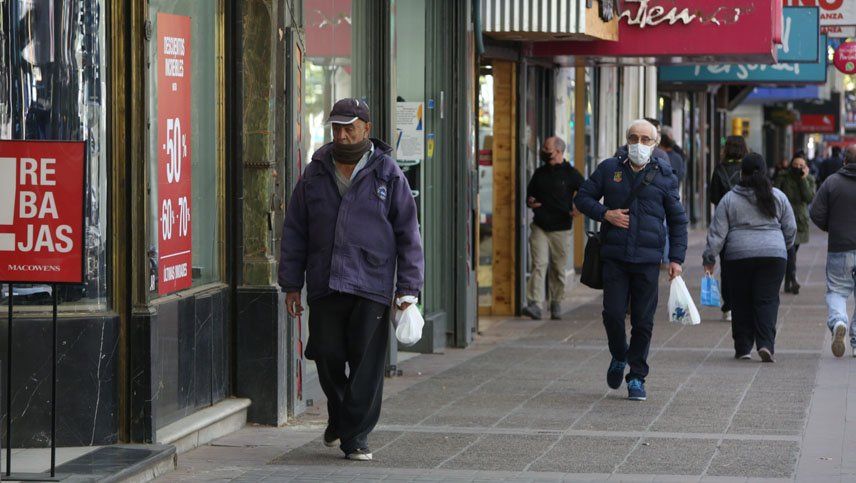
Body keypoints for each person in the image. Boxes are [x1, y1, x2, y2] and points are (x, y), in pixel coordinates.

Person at [278, 98, 424, 461]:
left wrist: (408, 288)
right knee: (326, 354)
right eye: (337, 129)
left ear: (366, 129)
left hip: (372, 282)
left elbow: (409, 233)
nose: (342, 136)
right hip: (326, 281)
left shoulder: (388, 173)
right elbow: (295, 230)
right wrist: (291, 284)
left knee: (366, 365)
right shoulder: (314, 173)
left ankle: (355, 436)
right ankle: (342, 416)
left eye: (350, 128)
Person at [575, 119, 688, 401]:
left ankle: (636, 376)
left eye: (645, 139)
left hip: (648, 260)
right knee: (613, 314)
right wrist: (605, 214)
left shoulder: (665, 175)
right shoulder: (609, 169)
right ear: (626, 140)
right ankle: (618, 354)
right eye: (633, 138)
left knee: (643, 321)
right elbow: (583, 198)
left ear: (655, 143)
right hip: (615, 256)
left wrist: (676, 259)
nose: (639, 144)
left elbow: (678, 220)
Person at [703, 153, 796, 363]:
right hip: (773, 255)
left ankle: (743, 347)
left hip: (738, 255)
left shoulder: (729, 199)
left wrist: (709, 257)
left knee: (741, 301)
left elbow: (717, 233)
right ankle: (765, 344)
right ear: (765, 172)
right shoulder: (778, 197)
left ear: (741, 174)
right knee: (767, 300)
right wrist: (783, 246)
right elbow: (790, 228)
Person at [522, 136, 585, 320]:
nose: (543, 150)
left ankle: (556, 301)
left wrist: (578, 207)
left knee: (558, 268)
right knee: (539, 264)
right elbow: (530, 195)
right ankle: (535, 304)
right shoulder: (539, 173)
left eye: (546, 148)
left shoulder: (571, 173)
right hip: (540, 226)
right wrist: (530, 201)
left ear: (558, 151)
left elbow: (586, 191)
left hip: (561, 228)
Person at [810, 144, 856, 358]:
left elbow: (815, 212)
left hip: (840, 246)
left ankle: (838, 321)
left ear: (844, 161)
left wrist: (832, 227)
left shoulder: (832, 182)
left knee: (837, 290)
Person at [708, 135, 748, 322]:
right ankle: (743, 303)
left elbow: (713, 197)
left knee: (726, 266)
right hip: (745, 222)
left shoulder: (719, 169)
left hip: (724, 222)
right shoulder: (748, 169)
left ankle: (728, 306)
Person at [773, 155, 815, 294]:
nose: (798, 167)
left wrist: (803, 179)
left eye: (801, 165)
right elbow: (775, 193)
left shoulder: (809, 179)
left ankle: (788, 281)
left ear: (806, 167)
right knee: (790, 251)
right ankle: (793, 279)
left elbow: (808, 197)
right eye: (795, 164)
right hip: (784, 218)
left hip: (800, 220)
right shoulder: (783, 176)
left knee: (792, 251)